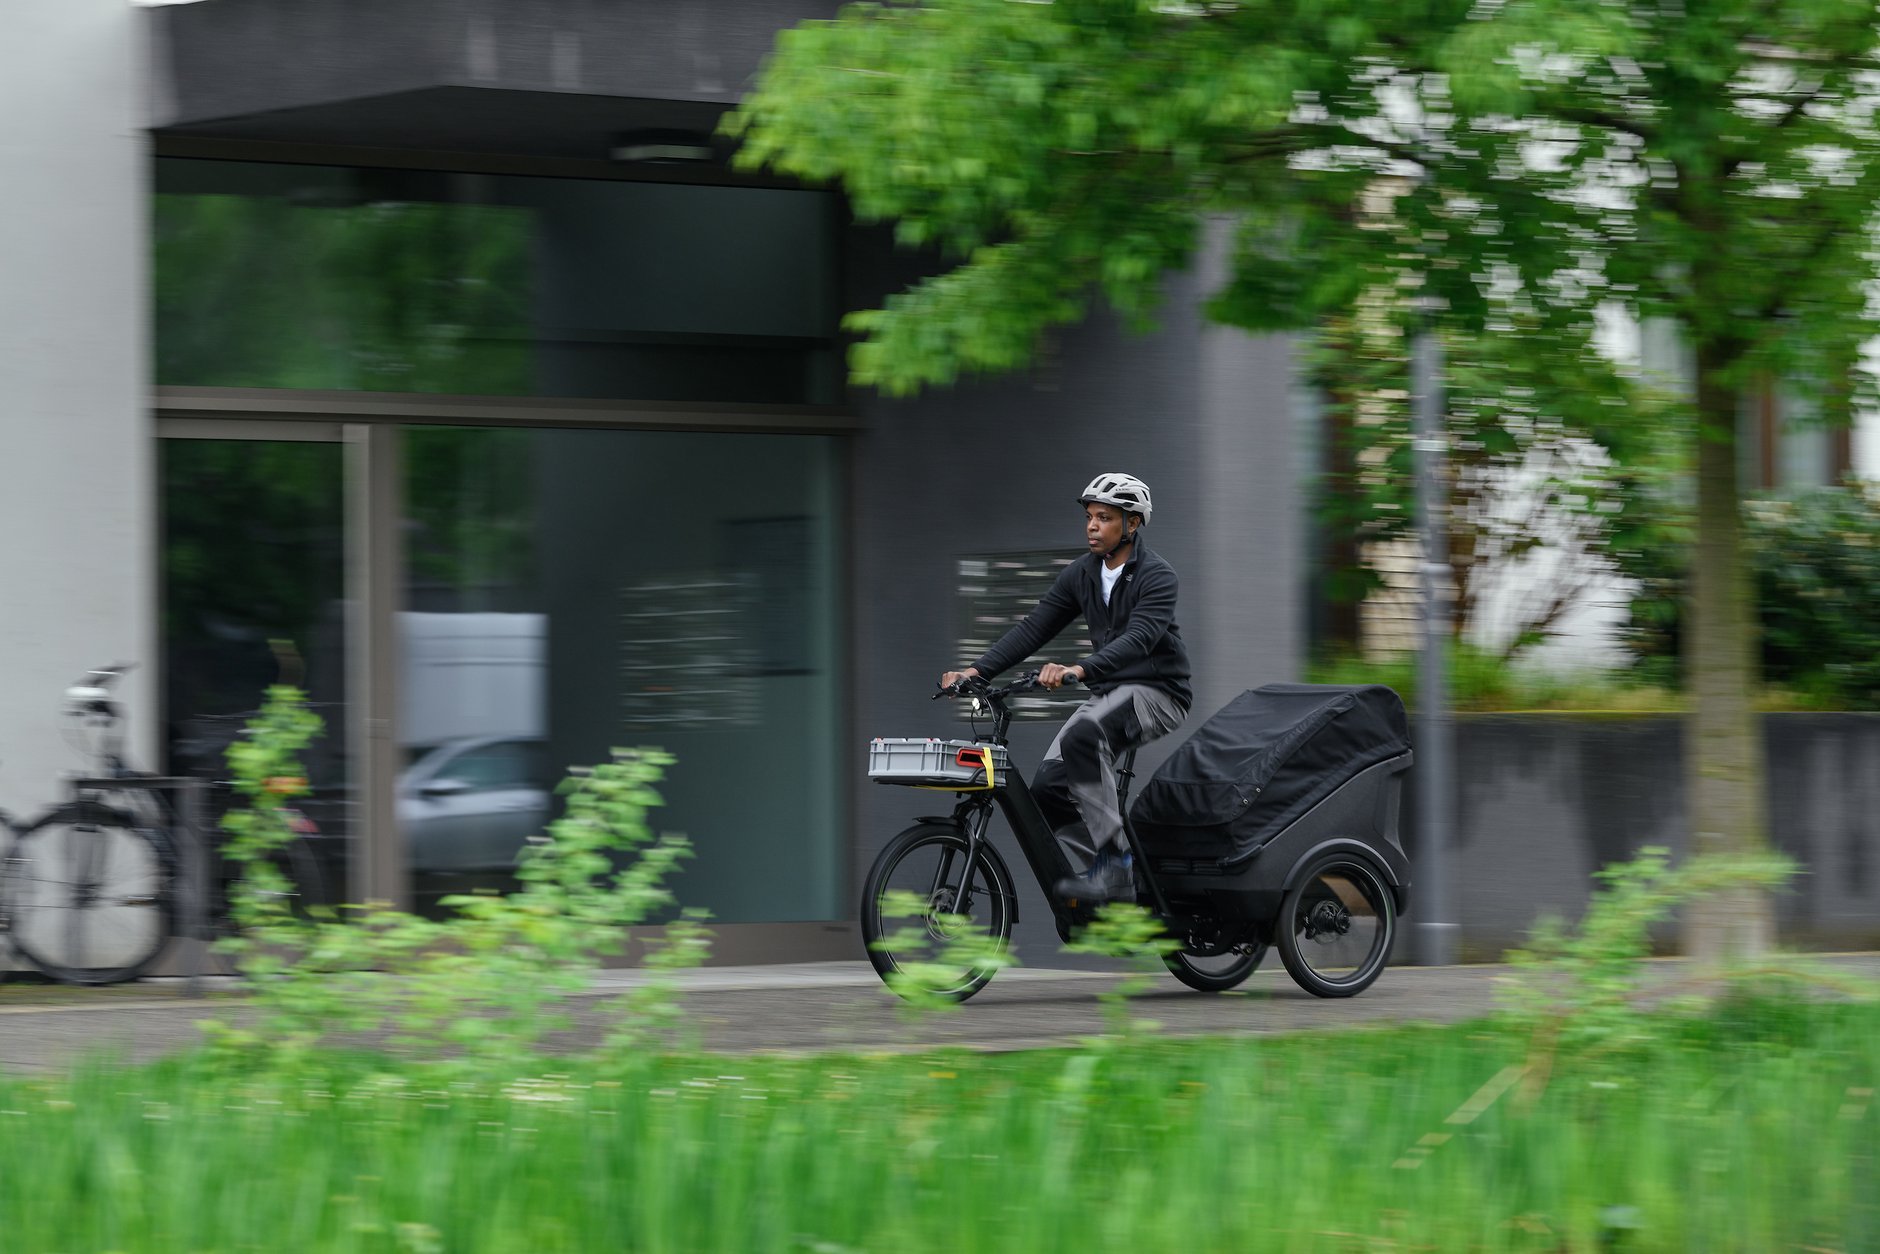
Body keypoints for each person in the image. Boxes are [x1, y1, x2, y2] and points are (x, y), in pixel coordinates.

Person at [940, 472, 1191, 904]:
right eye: (1090, 516)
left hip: (1158, 692)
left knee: (1083, 737)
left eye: (1105, 517)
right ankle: (1121, 877)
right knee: (1048, 792)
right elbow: (1033, 629)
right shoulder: (1082, 574)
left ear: (1131, 525)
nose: (1092, 525)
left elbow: (1140, 640)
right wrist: (977, 671)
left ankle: (1115, 870)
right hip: (1109, 693)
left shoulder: (1157, 575)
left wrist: (1079, 668)